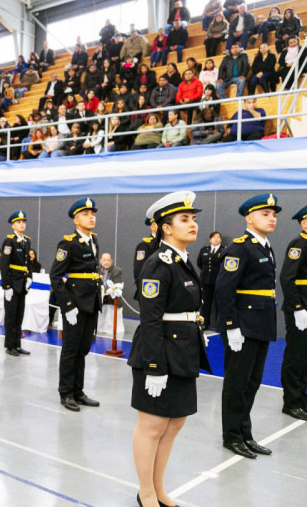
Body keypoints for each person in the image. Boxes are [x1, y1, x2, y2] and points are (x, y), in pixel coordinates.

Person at [129, 191, 211, 507]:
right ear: (166, 227)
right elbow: (149, 320)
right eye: (184, 219)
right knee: (151, 426)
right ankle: (145, 492)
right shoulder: (157, 263)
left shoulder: (181, 260)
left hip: (183, 350)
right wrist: (154, 366)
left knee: (174, 423)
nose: (193, 224)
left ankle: (158, 488)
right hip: (160, 352)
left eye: (194, 218)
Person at [216, 193, 280, 459]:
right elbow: (224, 287)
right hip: (243, 325)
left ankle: (245, 433)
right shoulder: (240, 246)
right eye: (265, 214)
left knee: (252, 382)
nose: (272, 218)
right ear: (249, 217)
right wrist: (231, 326)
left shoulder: (264, 246)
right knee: (236, 383)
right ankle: (232, 436)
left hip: (261, 323)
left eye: (274, 214)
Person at [51, 197, 102, 412]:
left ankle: (78, 391)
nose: (91, 217)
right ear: (75, 219)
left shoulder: (94, 240)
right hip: (76, 303)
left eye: (92, 214)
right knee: (71, 350)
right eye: (85, 214)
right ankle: (66, 393)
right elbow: (56, 276)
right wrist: (68, 305)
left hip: (91, 302)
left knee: (83, 349)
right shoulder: (68, 243)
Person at [279, 205, 307, 421]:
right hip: (301, 309)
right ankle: (291, 402)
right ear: (304, 223)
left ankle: (302, 397)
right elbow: (287, 278)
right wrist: (297, 307)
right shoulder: (298, 244)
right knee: (296, 356)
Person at [0, 210, 32, 356]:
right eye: (19, 222)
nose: (22, 224)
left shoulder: (26, 241)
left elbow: (28, 263)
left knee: (19, 315)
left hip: (22, 282)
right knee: (11, 316)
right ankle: (9, 345)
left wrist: (30, 277)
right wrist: (6, 286)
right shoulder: (9, 241)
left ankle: (18, 344)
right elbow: (4, 264)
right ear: (13, 225)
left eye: (23, 222)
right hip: (12, 282)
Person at [197, 232, 224, 329]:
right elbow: (199, 263)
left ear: (221, 239)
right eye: (213, 237)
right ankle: (204, 323)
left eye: (218, 237)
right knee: (205, 303)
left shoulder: (224, 250)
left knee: (219, 303)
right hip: (206, 280)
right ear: (210, 240)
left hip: (219, 281)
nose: (216, 239)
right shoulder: (204, 249)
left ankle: (219, 324)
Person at [133, 218, 158, 301]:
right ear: (152, 226)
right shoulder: (145, 246)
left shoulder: (168, 245)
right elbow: (139, 271)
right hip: (150, 292)